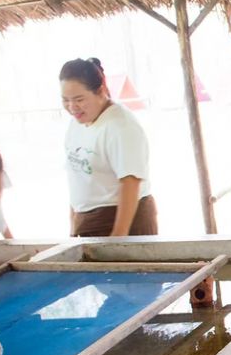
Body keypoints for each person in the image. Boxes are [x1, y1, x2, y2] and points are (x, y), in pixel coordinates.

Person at [60, 57, 158, 237]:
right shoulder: (76, 123)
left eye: (79, 99)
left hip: (121, 220)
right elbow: (76, 179)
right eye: (65, 100)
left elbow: (130, 182)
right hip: (86, 221)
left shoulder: (121, 126)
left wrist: (118, 236)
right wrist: (73, 225)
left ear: (101, 90)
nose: (72, 107)